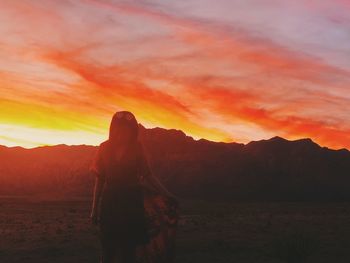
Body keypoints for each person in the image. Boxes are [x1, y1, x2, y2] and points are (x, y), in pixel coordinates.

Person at [89, 110, 179, 263]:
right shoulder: (104, 148)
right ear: (113, 129)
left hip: (131, 203)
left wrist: (167, 194)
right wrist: (94, 209)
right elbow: (100, 180)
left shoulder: (137, 148)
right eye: (119, 128)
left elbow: (148, 175)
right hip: (110, 203)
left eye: (127, 129)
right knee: (107, 247)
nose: (123, 132)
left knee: (128, 249)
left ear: (132, 131)